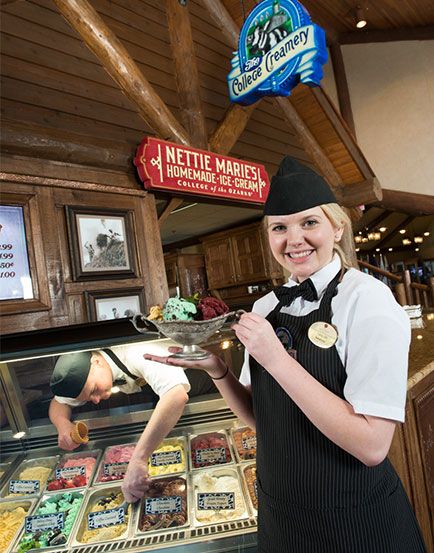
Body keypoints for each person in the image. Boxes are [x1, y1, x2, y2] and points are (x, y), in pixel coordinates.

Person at [144, 157, 427, 553]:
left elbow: (371, 445)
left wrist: (276, 359)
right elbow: (262, 418)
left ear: (337, 226)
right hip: (283, 518)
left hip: (354, 520)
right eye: (279, 228)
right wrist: (219, 370)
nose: (294, 240)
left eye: (309, 222)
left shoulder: (368, 300)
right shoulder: (265, 308)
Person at [49, 341, 190, 504]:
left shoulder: (137, 352)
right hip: (162, 419)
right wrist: (62, 423)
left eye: (94, 390)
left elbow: (176, 396)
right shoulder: (89, 375)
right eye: (88, 398)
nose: (95, 400)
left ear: (96, 362)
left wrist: (138, 459)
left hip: (200, 390)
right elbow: (58, 403)